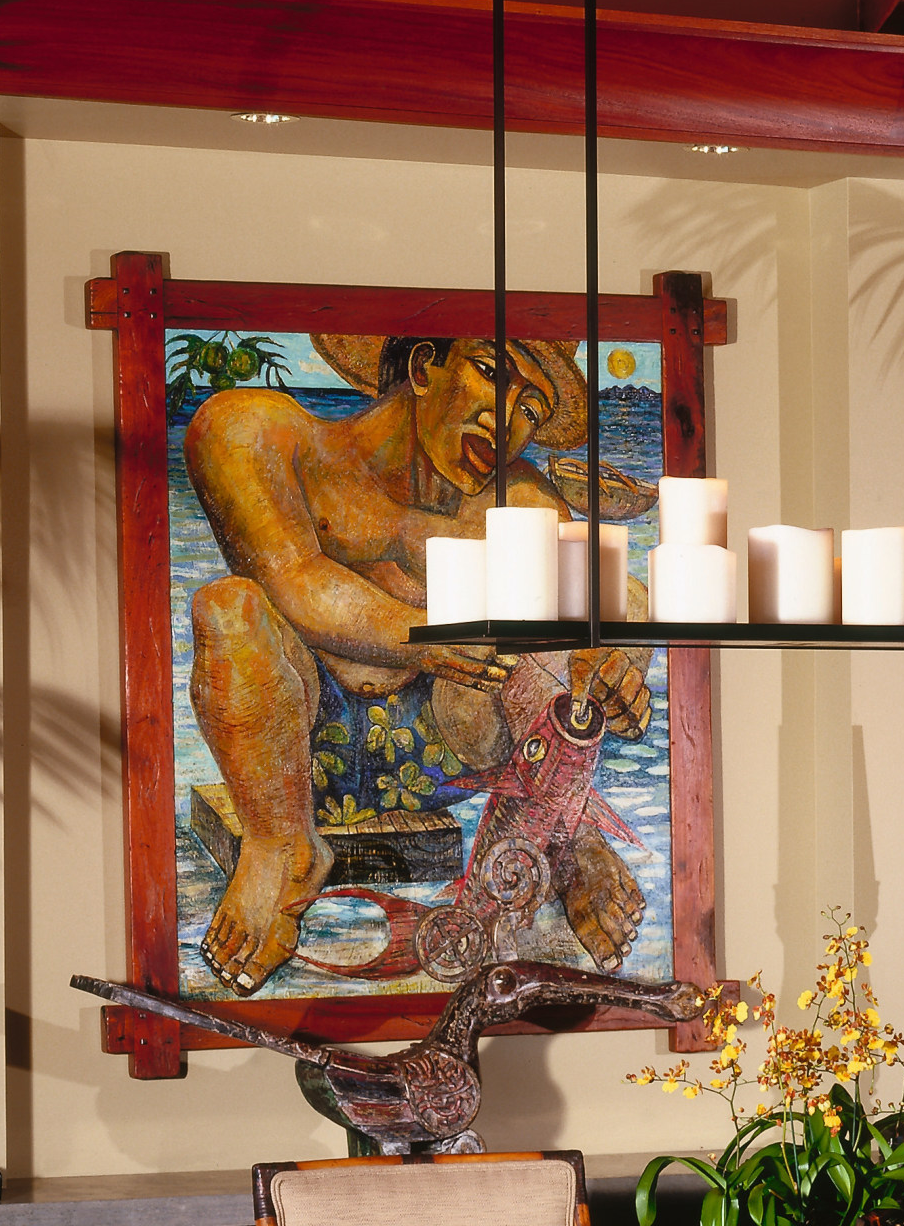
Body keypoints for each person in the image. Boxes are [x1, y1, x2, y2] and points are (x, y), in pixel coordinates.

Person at [183, 332, 647, 994]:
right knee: (228, 609)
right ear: (424, 365)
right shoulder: (260, 433)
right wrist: (427, 637)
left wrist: (604, 667)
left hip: (459, 739)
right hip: (298, 735)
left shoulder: (518, 501)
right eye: (492, 373)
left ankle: (566, 833)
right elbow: (292, 578)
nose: (508, 418)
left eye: (534, 410)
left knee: (617, 601)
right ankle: (280, 847)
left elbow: (590, 604)